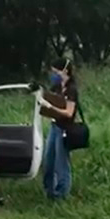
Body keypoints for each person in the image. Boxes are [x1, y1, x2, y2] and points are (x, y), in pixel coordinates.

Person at [39, 58, 79, 200]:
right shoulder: (56, 87)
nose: (53, 74)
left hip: (64, 129)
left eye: (55, 72)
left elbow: (68, 112)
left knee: (61, 163)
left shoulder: (71, 89)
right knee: (48, 160)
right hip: (54, 126)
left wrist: (51, 108)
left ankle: (61, 195)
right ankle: (50, 192)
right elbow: (48, 97)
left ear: (64, 71)